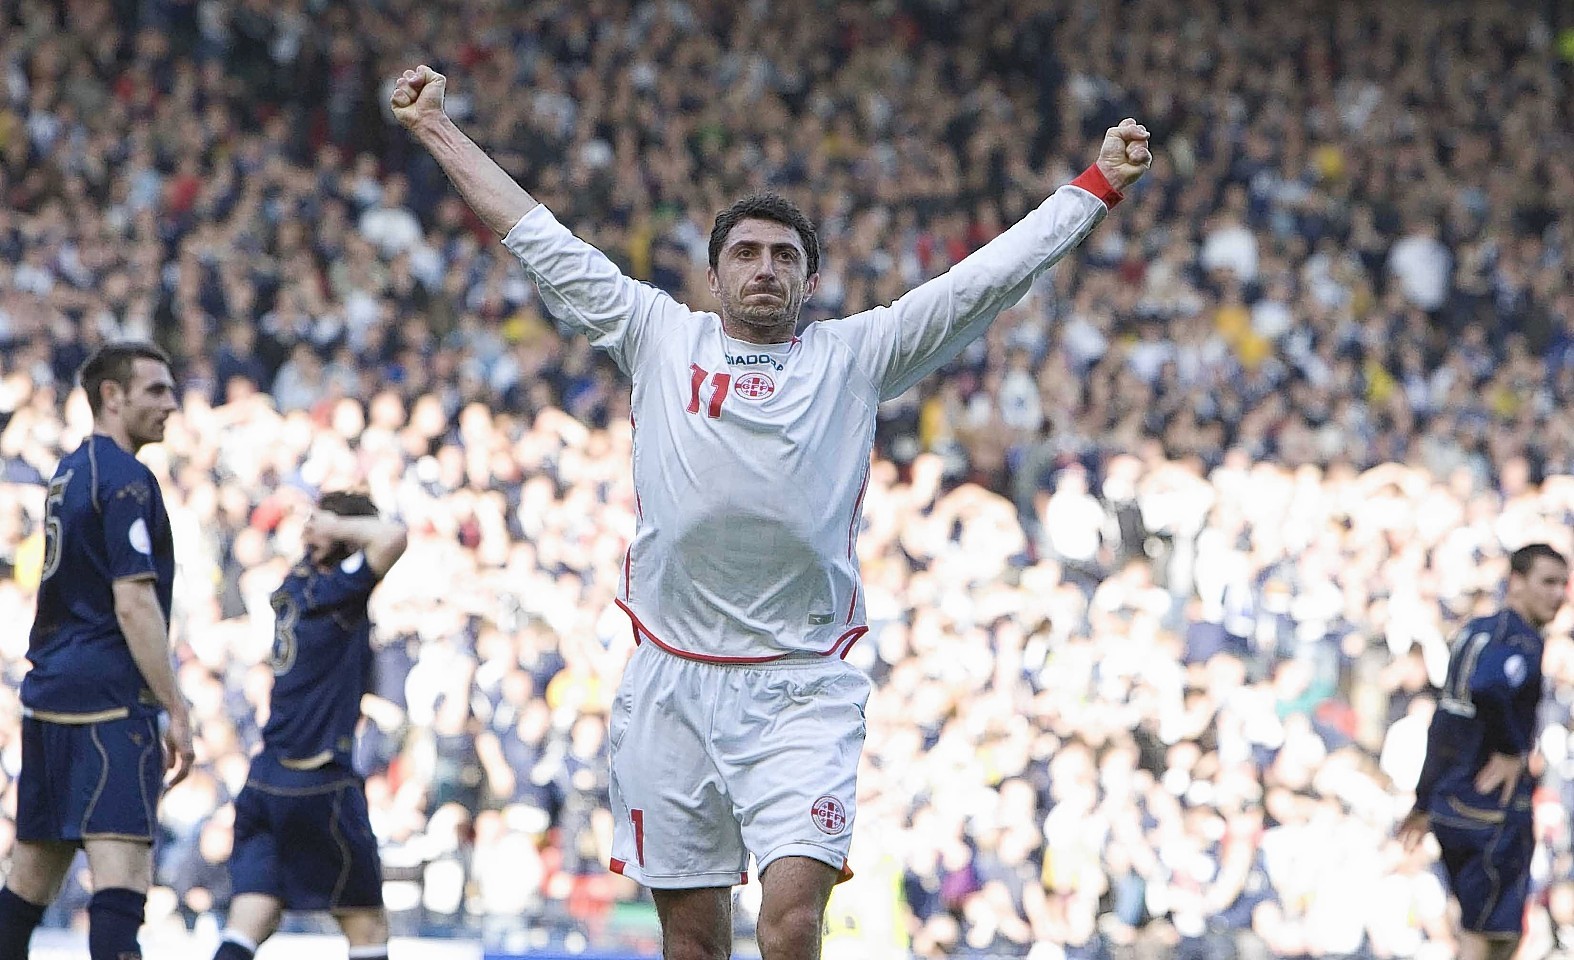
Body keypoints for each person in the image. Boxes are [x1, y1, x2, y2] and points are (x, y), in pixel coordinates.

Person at [390, 62, 1151, 960]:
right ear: (713, 278)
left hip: (801, 685)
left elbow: (986, 279)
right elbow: (534, 234)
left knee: (791, 923)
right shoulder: (656, 333)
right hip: (671, 678)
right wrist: (437, 128)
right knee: (693, 943)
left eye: (784, 256)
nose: (764, 269)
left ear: (809, 281)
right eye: (745, 254)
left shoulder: (857, 356)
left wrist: (1097, 185)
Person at [0, 341, 195, 960]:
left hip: (50, 694)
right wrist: (177, 709)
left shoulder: (65, 473)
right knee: (121, 880)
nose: (172, 403)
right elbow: (133, 603)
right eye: (156, 390)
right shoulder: (127, 479)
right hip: (111, 702)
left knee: (30, 878)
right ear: (112, 396)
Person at [211, 491, 408, 960]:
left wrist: (324, 528)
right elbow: (394, 538)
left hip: (264, 779)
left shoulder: (295, 584)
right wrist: (337, 525)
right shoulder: (337, 592)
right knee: (367, 926)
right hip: (317, 780)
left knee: (252, 916)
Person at [1398, 543, 1571, 960]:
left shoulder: (1474, 632)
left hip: (1451, 802)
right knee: (1491, 936)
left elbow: (1446, 722)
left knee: (1480, 927)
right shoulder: (1519, 639)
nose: (1558, 594)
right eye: (1547, 582)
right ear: (1515, 582)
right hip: (1490, 807)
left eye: (1563, 584)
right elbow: (1489, 687)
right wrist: (1512, 748)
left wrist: (1424, 800)